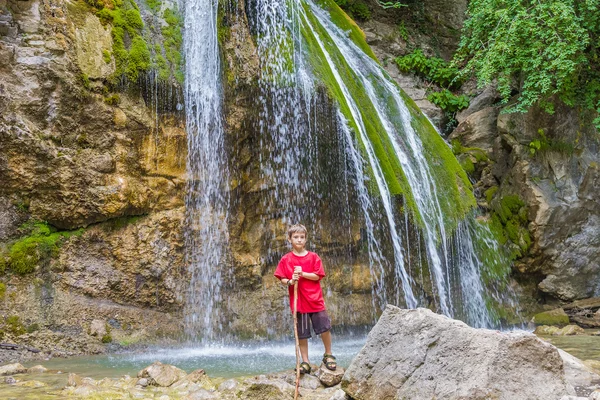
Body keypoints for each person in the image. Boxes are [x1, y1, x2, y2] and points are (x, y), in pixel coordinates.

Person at [274, 224, 337, 374]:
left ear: (306, 239)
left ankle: (328, 354)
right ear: (289, 239)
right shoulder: (286, 259)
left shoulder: (313, 257)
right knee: (302, 333)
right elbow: (282, 278)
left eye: (302, 237)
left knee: (324, 328)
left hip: (315, 301)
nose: (299, 240)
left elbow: (318, 276)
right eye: (296, 237)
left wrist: (302, 273)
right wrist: (290, 281)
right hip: (298, 303)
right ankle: (305, 361)